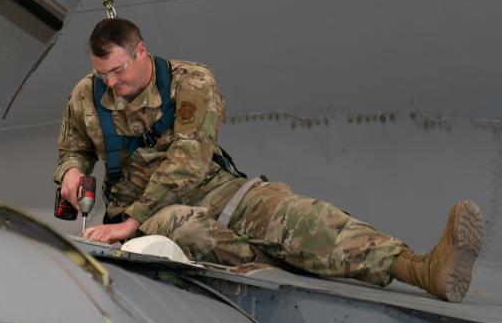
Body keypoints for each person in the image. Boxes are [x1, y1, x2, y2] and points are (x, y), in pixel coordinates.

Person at [55, 17, 484, 302]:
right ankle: (289, 267)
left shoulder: (192, 83)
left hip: (212, 186)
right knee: (192, 232)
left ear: (141, 51)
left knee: (296, 216)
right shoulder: (86, 94)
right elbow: (74, 147)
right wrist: (73, 171)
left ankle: (420, 268)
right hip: (146, 213)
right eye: (102, 74)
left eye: (118, 71)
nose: (112, 82)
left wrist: (128, 222)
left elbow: (188, 160)